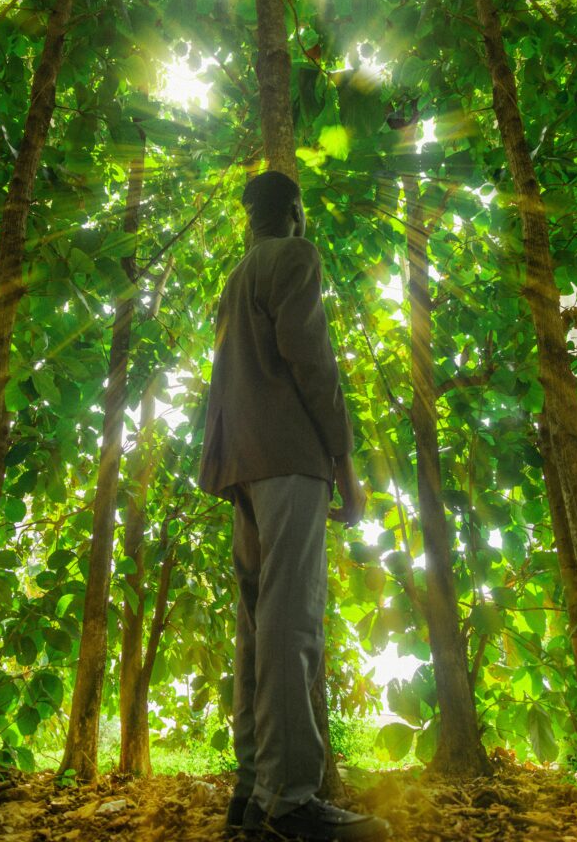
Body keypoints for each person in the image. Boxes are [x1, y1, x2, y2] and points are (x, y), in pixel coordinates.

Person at [198, 171, 389, 842]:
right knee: (292, 620)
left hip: (237, 464)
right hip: (288, 459)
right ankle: (288, 803)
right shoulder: (294, 257)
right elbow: (312, 360)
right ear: (295, 214)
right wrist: (344, 459)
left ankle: (251, 795)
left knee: (257, 626)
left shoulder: (232, 280)